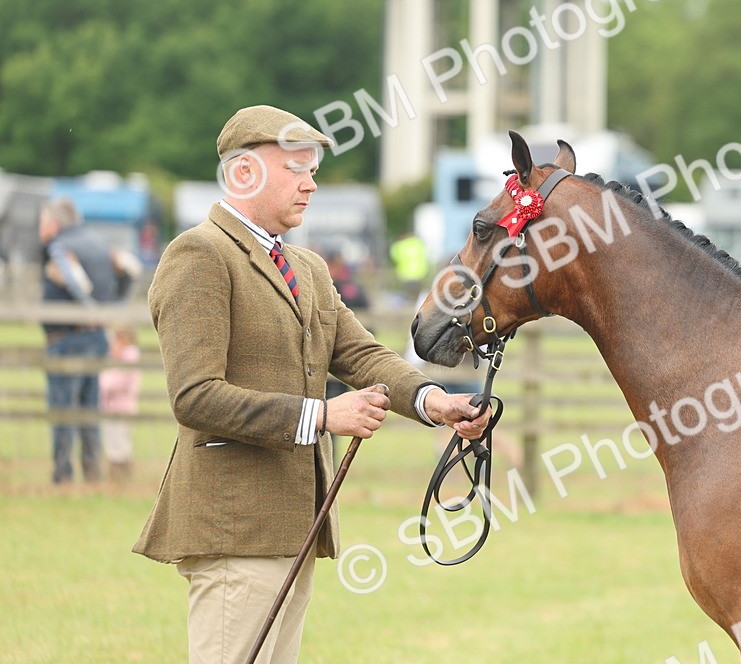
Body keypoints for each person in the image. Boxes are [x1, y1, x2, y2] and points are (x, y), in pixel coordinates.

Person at [132, 105, 491, 664]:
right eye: (296, 168)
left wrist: (434, 400)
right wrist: (322, 416)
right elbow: (194, 396)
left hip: (293, 527)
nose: (312, 182)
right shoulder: (199, 255)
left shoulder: (307, 266)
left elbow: (362, 354)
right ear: (244, 172)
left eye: (312, 168)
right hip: (235, 528)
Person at [40, 197, 119, 484]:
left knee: (63, 409)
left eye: (43, 220)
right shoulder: (99, 243)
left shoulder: (60, 246)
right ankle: (93, 473)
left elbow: (73, 281)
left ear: (55, 222)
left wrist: (89, 310)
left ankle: (62, 476)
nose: (41, 227)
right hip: (95, 339)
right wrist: (110, 308)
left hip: (67, 339)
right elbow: (128, 272)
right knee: (89, 408)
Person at [99, 325, 141, 483]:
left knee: (118, 443)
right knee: (116, 442)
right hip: (117, 406)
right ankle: (118, 477)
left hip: (120, 406)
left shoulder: (127, 357)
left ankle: (119, 477)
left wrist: (101, 383)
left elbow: (113, 383)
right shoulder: (123, 358)